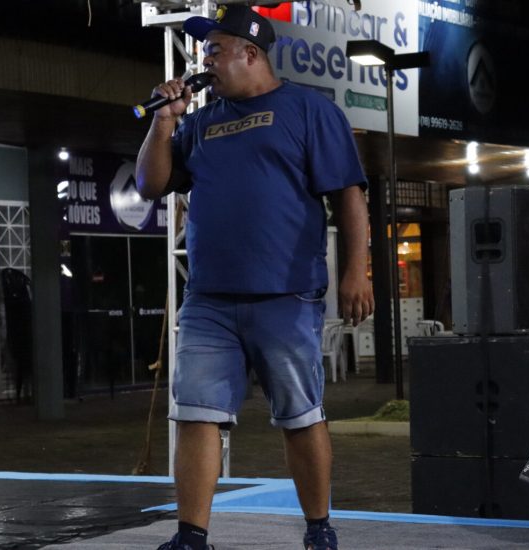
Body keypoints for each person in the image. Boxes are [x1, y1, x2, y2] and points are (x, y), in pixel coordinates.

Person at [135, 5, 374, 550]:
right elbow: (151, 185)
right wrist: (164, 120)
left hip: (286, 296)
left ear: (250, 53)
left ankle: (319, 529)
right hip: (209, 299)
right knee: (195, 414)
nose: (205, 62)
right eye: (203, 52)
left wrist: (356, 272)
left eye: (214, 51)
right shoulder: (200, 123)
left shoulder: (310, 110)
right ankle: (191, 536)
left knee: (299, 415)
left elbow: (349, 195)